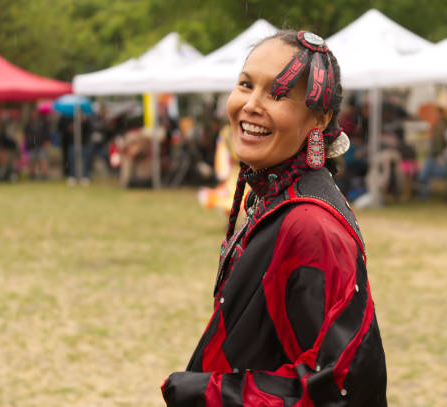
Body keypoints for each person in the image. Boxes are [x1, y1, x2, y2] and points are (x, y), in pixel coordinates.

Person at [161, 30, 387, 406]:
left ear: (320, 119)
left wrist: (205, 393)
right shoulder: (273, 195)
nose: (250, 104)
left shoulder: (310, 224)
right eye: (246, 85)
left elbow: (346, 384)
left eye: (278, 94)